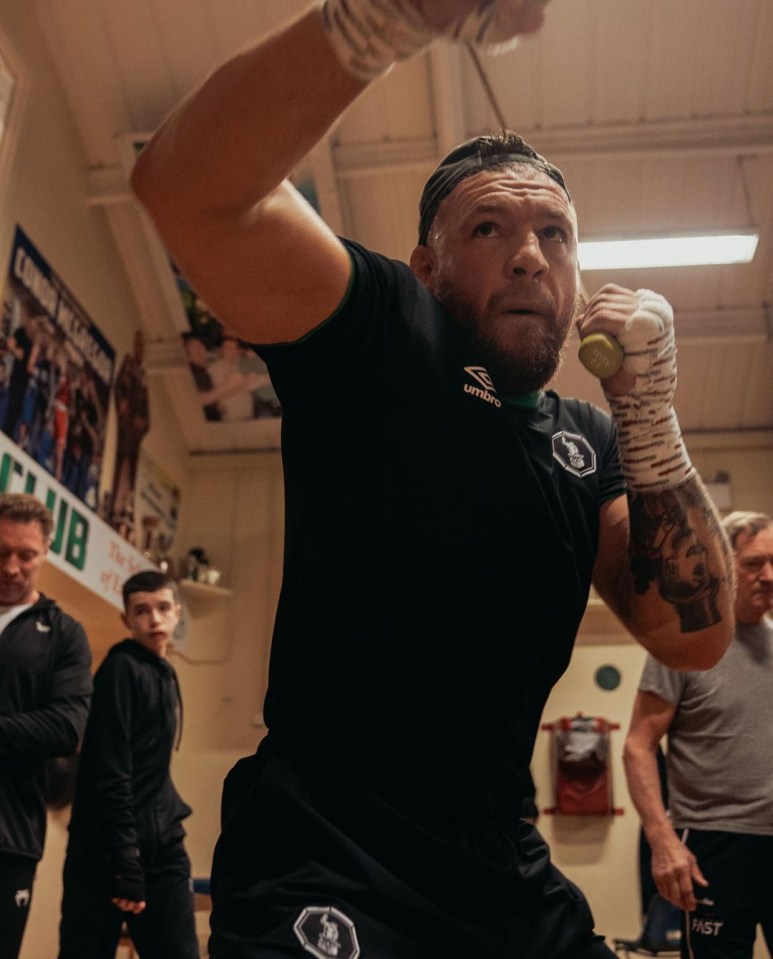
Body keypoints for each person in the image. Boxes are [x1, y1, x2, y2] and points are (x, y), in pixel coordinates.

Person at [130, 2, 735, 956]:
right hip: (326, 844)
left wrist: (650, 413)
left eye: (556, 234)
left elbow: (693, 638)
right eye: (489, 226)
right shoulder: (386, 333)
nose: (531, 253)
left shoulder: (590, 440)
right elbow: (186, 188)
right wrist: (382, 17)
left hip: (502, 863)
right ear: (427, 263)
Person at [623, 511, 773, 958]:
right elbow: (638, 745)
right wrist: (662, 840)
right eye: (754, 563)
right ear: (720, 565)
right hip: (713, 845)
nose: (768, 576)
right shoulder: (684, 644)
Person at [58, 570, 198, 959]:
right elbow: (109, 771)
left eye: (163, 608)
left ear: (176, 613)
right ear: (126, 619)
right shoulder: (121, 670)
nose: (154, 619)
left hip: (161, 843)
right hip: (105, 850)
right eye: (142, 610)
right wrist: (126, 858)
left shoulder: (163, 672)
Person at [0, 492, 92, 959]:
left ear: (45, 553)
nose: (12, 566)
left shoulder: (64, 633)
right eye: (1, 552)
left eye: (25, 555)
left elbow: (64, 727)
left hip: (9, 836)